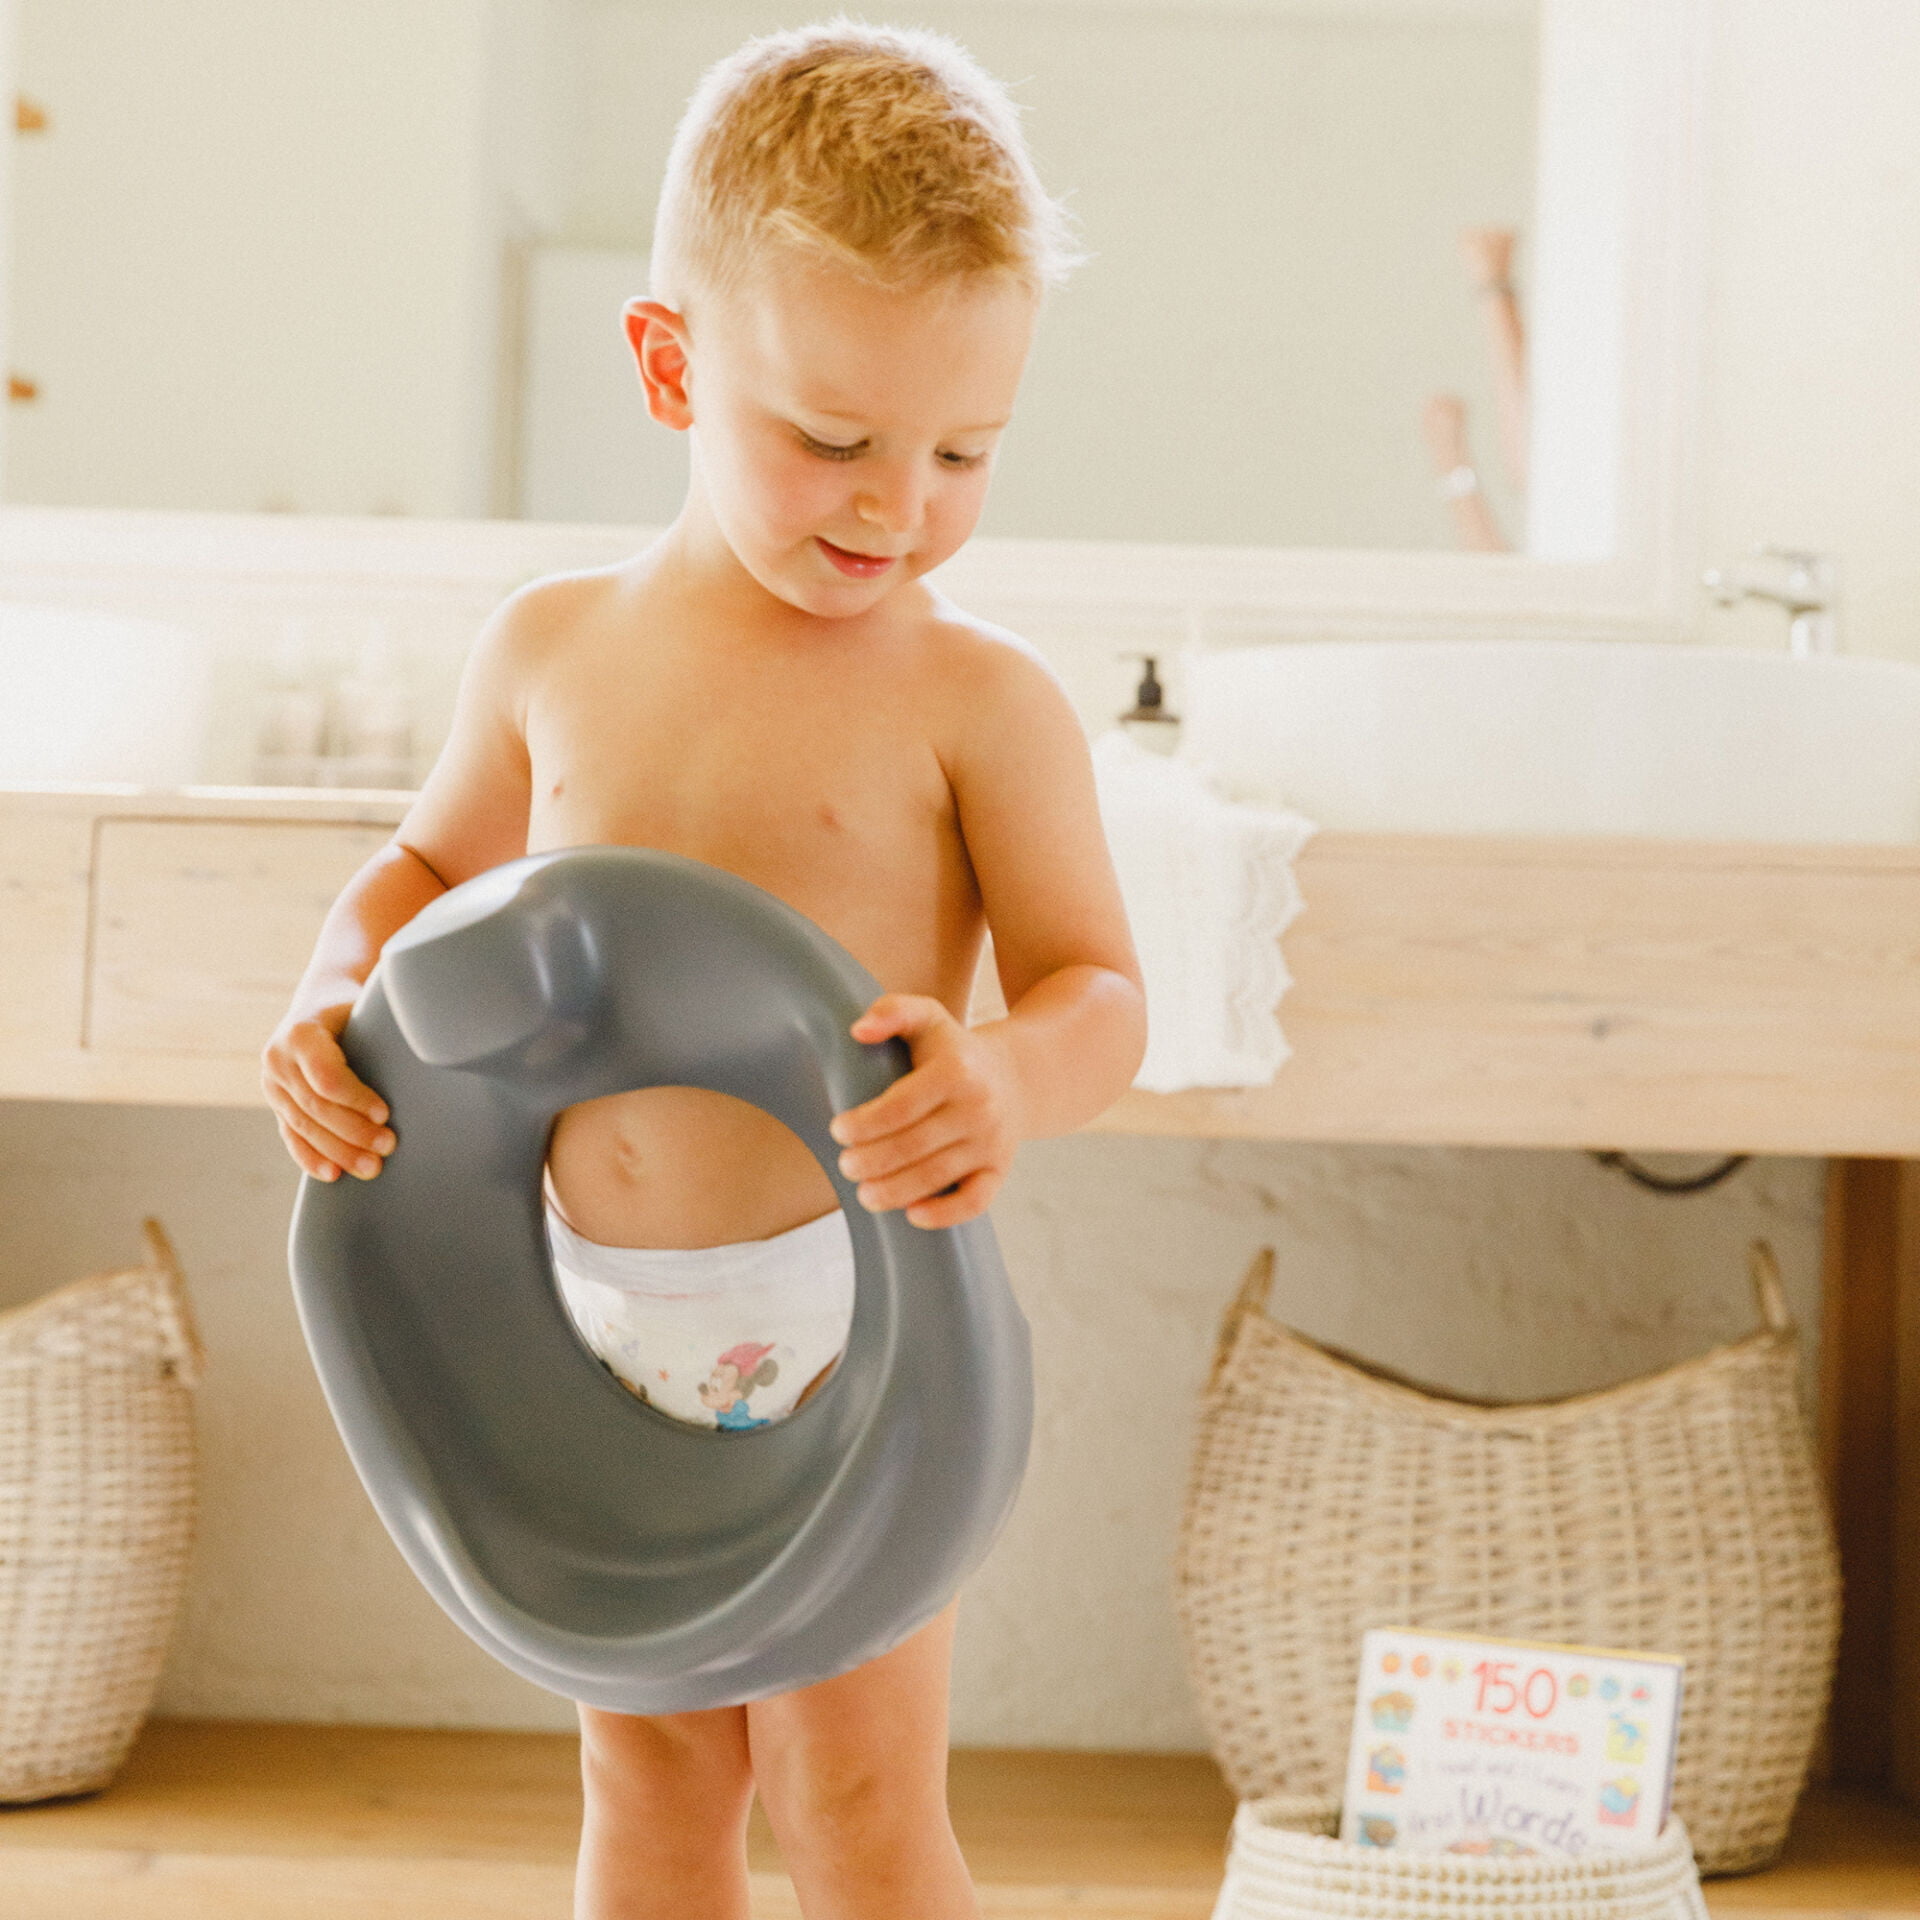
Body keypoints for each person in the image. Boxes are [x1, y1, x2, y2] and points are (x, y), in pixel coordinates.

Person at [260, 22, 1146, 1920]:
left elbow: (1100, 992)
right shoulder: (552, 652)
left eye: (965, 449)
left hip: (857, 1319)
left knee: (856, 1801)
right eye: (833, 438)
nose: (897, 504)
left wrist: (1006, 1079)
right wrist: (332, 997)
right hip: (582, 1313)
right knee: (652, 1788)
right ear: (668, 366)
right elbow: (420, 874)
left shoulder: (980, 703)